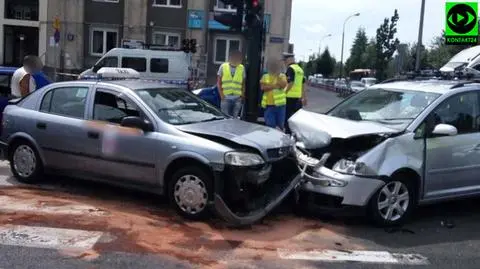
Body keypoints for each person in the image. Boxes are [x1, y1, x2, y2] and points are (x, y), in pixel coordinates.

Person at [260, 58, 287, 131]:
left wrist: (269, 85)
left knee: (280, 125)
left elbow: (283, 85)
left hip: (280, 106)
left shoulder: (282, 76)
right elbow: (262, 88)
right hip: (269, 105)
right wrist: (275, 85)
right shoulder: (265, 76)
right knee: (270, 125)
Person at [217, 50, 245, 118]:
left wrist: (242, 95)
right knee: (225, 118)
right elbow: (218, 82)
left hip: (237, 98)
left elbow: (243, 83)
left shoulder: (242, 68)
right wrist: (222, 96)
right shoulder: (223, 66)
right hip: (226, 97)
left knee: (235, 119)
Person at [283, 53, 306, 133]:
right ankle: (294, 134)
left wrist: (283, 93)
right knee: (296, 119)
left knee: (288, 118)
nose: (284, 63)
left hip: (289, 98)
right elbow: (303, 84)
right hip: (298, 99)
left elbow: (291, 83)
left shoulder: (290, 68)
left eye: (285, 61)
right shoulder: (300, 69)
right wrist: (303, 97)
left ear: (289, 60)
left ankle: (288, 134)